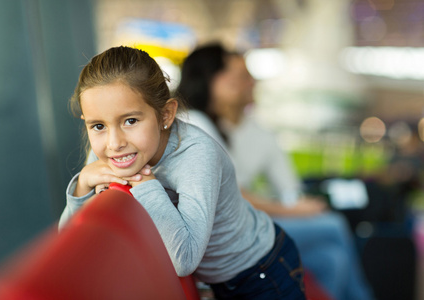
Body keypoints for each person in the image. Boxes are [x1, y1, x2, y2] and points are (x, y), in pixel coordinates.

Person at [59, 46, 306, 299]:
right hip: (211, 282)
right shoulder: (110, 154)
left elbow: (185, 259)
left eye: (130, 121)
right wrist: (82, 186)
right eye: (98, 125)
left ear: (165, 114)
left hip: (260, 270)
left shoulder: (196, 154)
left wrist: (144, 183)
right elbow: (71, 244)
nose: (114, 142)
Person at [176, 44, 375, 300]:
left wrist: (297, 204)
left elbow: (287, 189)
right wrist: (295, 211)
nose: (249, 83)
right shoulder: (195, 124)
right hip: (231, 236)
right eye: (237, 76)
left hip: (246, 225)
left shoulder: (255, 131)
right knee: (334, 226)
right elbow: (233, 196)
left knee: (331, 260)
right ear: (209, 81)